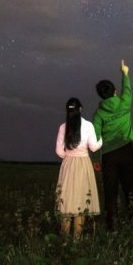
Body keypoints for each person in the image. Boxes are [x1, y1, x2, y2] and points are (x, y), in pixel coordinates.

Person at [92, 59, 133, 231]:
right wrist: (125, 73)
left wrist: (94, 159)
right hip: (126, 151)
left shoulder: (98, 114)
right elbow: (127, 90)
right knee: (130, 187)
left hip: (108, 156)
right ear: (114, 91)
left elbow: (95, 139)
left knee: (110, 191)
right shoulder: (124, 103)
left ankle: (112, 227)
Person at [55, 97, 103, 237]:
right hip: (83, 164)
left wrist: (69, 155)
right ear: (80, 109)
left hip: (68, 165)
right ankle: (77, 241)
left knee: (66, 200)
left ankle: (64, 240)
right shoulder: (88, 126)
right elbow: (94, 147)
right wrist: (101, 139)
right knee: (81, 200)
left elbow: (59, 151)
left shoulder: (63, 127)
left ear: (66, 110)